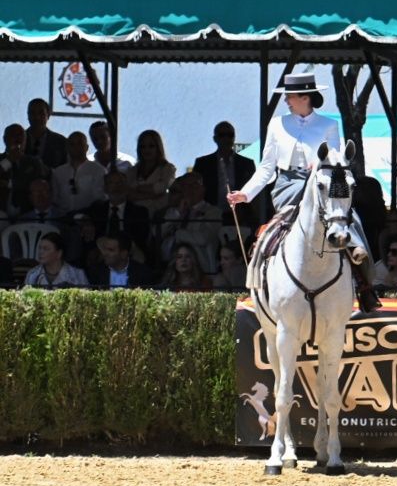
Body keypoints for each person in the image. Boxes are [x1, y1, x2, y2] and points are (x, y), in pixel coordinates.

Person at [227, 72, 380, 313]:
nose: (286, 100)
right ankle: (259, 277)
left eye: (290, 95)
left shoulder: (329, 125)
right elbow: (267, 167)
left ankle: (364, 283)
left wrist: (319, 167)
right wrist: (245, 194)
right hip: (287, 186)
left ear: (305, 97)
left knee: (347, 215)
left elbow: (337, 162)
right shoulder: (277, 124)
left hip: (322, 183)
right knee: (270, 232)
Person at [193, 121, 257, 226]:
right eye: (222, 135)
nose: (226, 138)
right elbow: (195, 191)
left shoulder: (247, 164)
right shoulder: (203, 163)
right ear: (215, 139)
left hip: (240, 217)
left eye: (230, 135)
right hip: (210, 216)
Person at [159, 172, 223, 265]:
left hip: (201, 266)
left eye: (195, 185)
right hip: (170, 265)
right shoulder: (173, 212)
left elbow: (203, 238)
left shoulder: (213, 212)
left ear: (203, 189)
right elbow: (158, 232)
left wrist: (177, 234)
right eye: (185, 186)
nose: (190, 190)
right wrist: (178, 213)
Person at [51, 131, 107, 218]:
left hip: (89, 220)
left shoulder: (98, 170)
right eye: (72, 144)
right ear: (67, 148)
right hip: (62, 219)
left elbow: (100, 199)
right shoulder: (58, 172)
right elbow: (54, 199)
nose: (76, 147)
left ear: (87, 147)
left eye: (80, 144)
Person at [0, 123, 48, 215]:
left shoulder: (35, 163)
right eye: (14, 135)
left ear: (25, 140)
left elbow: (39, 186)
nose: (18, 139)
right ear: (5, 139)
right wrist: (8, 161)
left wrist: (9, 184)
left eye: (21, 135)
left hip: (28, 214)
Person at [128, 129, 177, 218]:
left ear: (158, 147)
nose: (147, 150)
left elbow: (162, 188)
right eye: (143, 146)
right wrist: (152, 194)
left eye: (151, 146)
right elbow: (128, 194)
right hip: (135, 216)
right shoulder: (132, 171)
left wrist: (138, 189)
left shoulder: (168, 168)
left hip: (159, 214)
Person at [91, 233, 157, 288]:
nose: (105, 253)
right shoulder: (96, 272)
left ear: (123, 254)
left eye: (111, 250)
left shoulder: (142, 273)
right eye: (105, 249)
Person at [24, 98, 67, 170]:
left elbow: (66, 170)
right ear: (28, 115)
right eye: (32, 113)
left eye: (41, 113)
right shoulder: (18, 139)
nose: (37, 117)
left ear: (48, 115)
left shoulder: (61, 142)